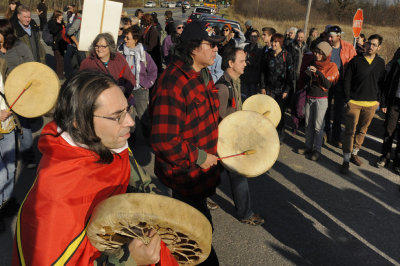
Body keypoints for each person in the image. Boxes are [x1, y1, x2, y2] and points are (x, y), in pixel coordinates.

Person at [12, 70, 177, 265]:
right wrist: (131, 260)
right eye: (117, 116)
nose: (130, 122)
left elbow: (138, 180)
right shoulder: (57, 197)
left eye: (127, 110)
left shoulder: (109, 143)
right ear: (79, 124)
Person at [150, 20, 224, 265]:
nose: (216, 50)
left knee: (197, 237)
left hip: (200, 177)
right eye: (210, 45)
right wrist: (201, 157)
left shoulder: (203, 75)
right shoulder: (173, 82)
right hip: (185, 176)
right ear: (193, 48)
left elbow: (208, 119)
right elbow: (163, 140)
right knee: (198, 244)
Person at [216, 47, 265, 225]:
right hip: (226, 141)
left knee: (213, 173)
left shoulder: (236, 82)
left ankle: (202, 195)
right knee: (238, 175)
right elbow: (217, 119)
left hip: (233, 139)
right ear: (230, 63)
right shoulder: (222, 88)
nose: (246, 64)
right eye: (242, 61)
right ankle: (245, 214)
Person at [340, 34, 386, 174]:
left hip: (371, 104)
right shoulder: (356, 61)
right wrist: (347, 99)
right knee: (350, 131)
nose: (370, 47)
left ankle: (355, 152)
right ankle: (346, 159)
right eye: (369, 44)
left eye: (374, 45)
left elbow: (382, 83)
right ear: (365, 44)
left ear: (379, 47)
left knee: (362, 130)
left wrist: (379, 101)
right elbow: (347, 80)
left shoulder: (380, 63)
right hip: (354, 102)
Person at [0, 19, 36, 170]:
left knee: (25, 130)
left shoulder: (20, 46)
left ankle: (28, 157)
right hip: (3, 98)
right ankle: (10, 159)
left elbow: (31, 66)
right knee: (8, 133)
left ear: (5, 33)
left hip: (20, 96)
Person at [296, 41, 339, 161]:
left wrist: (318, 73)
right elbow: (305, 81)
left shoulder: (332, 66)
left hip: (321, 99)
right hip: (310, 96)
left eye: (319, 53)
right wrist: (307, 74)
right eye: (316, 52)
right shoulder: (312, 62)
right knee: (308, 124)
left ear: (325, 54)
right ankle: (308, 146)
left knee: (318, 127)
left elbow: (328, 84)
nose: (316, 54)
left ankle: (317, 150)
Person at [119, 26, 157, 140]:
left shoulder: (144, 55)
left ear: (135, 40)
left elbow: (153, 71)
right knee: (127, 118)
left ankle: (149, 140)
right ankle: (131, 141)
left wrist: (147, 84)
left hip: (140, 90)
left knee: (143, 117)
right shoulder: (121, 54)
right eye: (125, 37)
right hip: (125, 91)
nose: (125, 40)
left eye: (128, 38)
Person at [324, 25, 357, 148]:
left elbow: (354, 66)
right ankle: (325, 133)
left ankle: (336, 137)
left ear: (339, 36)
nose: (329, 39)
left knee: (338, 112)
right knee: (325, 109)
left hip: (341, 83)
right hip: (327, 82)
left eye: (332, 37)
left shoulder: (348, 47)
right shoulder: (325, 46)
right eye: (328, 36)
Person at [80, 33, 136, 101]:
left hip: (118, 99)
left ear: (110, 46)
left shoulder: (119, 59)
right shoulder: (87, 63)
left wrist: (124, 89)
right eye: (97, 46)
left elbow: (131, 78)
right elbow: (81, 84)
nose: (99, 49)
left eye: (103, 46)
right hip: (98, 102)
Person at [260, 33, 294, 141]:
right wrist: (263, 86)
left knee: (279, 113)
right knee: (268, 112)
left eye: (276, 42)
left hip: (281, 90)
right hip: (269, 89)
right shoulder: (267, 55)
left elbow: (290, 74)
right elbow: (263, 72)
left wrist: (287, 90)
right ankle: (267, 134)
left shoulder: (286, 55)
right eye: (273, 41)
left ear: (280, 43)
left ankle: (279, 134)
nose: (273, 44)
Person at [0, 65, 19, 233]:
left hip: (8, 126)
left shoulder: (3, 64)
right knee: (1, 174)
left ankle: (7, 203)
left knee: (11, 167)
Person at [376, 47, 400, 173]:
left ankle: (398, 162)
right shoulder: (398, 55)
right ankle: (385, 157)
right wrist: (384, 101)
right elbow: (388, 79)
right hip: (394, 100)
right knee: (389, 130)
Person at [241, 29, 262, 100]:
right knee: (244, 96)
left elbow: (259, 63)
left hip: (254, 77)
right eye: (251, 36)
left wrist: (250, 63)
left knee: (252, 97)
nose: (253, 38)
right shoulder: (246, 47)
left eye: (255, 36)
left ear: (258, 38)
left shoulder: (260, 49)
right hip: (245, 75)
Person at [48, 10, 68, 79]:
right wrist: (58, 24)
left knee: (61, 59)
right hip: (56, 43)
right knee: (59, 59)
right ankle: (59, 75)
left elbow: (64, 29)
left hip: (61, 43)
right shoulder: (52, 22)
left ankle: (60, 73)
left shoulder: (61, 22)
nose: (62, 16)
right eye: (60, 15)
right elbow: (54, 31)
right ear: (57, 16)